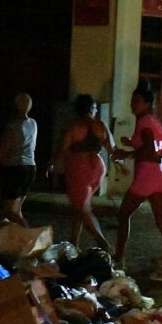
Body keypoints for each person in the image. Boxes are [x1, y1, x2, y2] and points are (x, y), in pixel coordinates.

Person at [112, 87, 162, 273]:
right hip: (160, 174)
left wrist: (126, 152)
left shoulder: (145, 121)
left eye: (137, 101)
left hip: (146, 175)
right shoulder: (154, 121)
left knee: (123, 214)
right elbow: (158, 147)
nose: (132, 104)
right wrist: (131, 143)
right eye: (132, 100)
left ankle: (119, 258)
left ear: (147, 103)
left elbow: (148, 148)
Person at [48, 94, 115, 251]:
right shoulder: (100, 125)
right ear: (91, 108)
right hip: (98, 167)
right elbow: (113, 150)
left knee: (83, 208)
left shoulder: (72, 126)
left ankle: (103, 244)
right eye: (95, 108)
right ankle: (74, 242)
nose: (96, 111)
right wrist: (121, 166)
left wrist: (51, 164)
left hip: (78, 167)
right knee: (82, 206)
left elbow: (61, 148)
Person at [0, 93, 37, 227]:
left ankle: (30, 236)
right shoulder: (33, 123)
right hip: (30, 167)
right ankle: (16, 240)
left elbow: (3, 148)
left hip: (14, 169)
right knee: (16, 210)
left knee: (10, 211)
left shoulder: (12, 125)